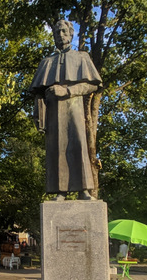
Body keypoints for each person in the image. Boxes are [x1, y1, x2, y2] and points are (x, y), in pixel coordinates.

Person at [27, 19, 102, 201]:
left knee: (78, 146)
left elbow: (92, 85)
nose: (60, 35)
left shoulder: (81, 57)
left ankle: (84, 190)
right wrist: (37, 113)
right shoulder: (47, 62)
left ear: (71, 33)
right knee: (56, 150)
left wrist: (67, 91)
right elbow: (38, 92)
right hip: (52, 112)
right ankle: (60, 191)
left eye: (63, 31)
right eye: (57, 32)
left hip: (73, 107)